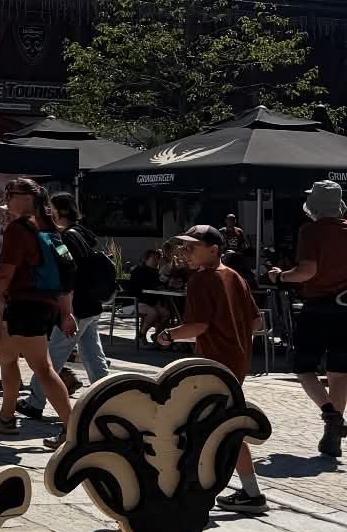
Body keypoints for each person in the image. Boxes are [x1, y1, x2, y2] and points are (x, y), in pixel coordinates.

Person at [158, 224, 266, 511]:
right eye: (184, 246)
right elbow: (256, 322)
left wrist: (167, 335)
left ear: (213, 249)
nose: (185, 252)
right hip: (236, 363)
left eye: (192, 247)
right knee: (227, 427)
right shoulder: (235, 277)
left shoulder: (201, 280)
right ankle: (252, 493)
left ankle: (191, 491)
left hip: (212, 366)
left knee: (192, 426)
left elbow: (198, 326)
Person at [0, 176, 75, 443]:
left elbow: (5, 274)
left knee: (42, 368)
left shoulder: (18, 230)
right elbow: (66, 276)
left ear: (27, 198)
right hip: (45, 305)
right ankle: (5, 417)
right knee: (7, 356)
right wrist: (66, 312)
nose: (6, 200)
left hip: (25, 305)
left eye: (10, 195)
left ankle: (73, 429)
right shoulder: (51, 228)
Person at [269, 179, 347, 458]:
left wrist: (280, 276)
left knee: (304, 367)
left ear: (313, 204)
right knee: (339, 372)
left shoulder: (312, 231)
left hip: (319, 308)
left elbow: (307, 272)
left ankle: (330, 415)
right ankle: (332, 435)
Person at [22, 193, 113, 415]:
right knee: (93, 356)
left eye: (51, 208)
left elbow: (68, 274)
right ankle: (109, 399)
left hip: (76, 307)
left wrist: (66, 311)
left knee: (52, 357)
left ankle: (35, 402)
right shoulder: (82, 233)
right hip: (91, 305)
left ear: (60, 211)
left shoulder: (66, 238)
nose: (48, 212)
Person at [127, 248, 175, 340]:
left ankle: (158, 336)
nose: (156, 260)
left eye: (158, 258)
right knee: (153, 312)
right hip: (134, 302)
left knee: (166, 313)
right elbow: (152, 285)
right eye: (154, 258)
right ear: (146, 259)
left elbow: (161, 285)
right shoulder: (139, 270)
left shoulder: (155, 272)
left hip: (149, 303)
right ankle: (141, 334)